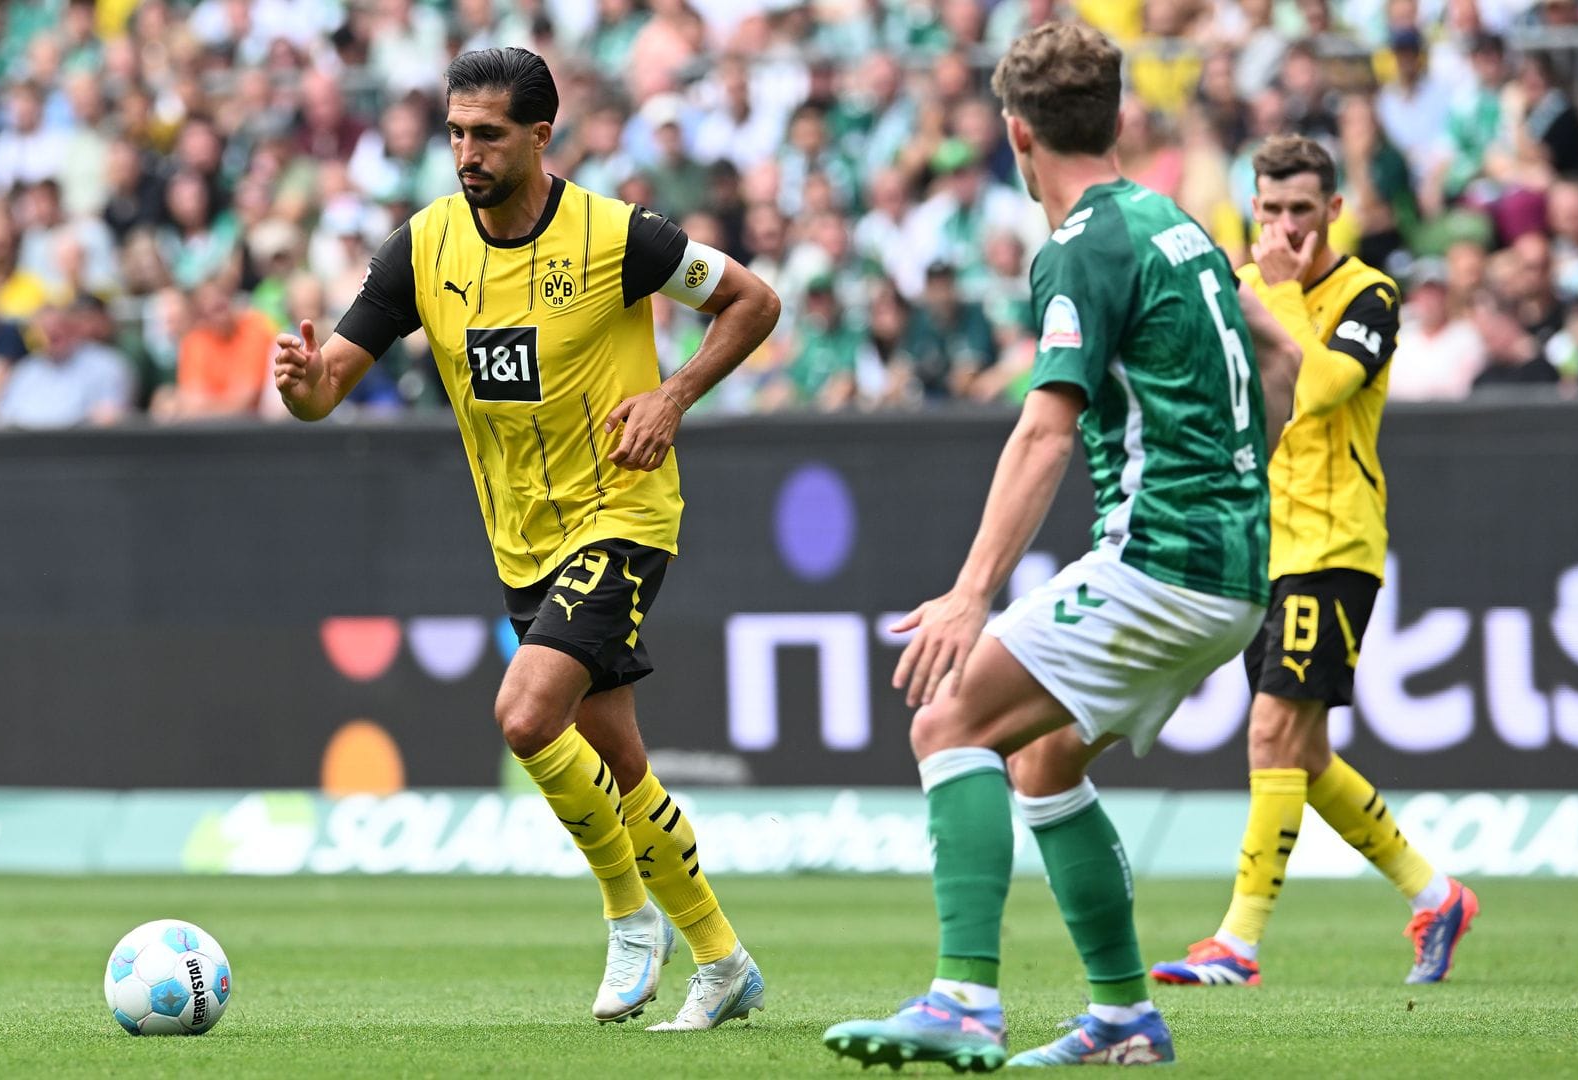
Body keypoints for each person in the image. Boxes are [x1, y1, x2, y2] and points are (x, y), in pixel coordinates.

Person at [271, 48, 781, 1031]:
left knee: (525, 714)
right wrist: (301, 386)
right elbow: (327, 385)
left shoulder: (620, 236)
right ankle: (724, 960)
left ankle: (629, 915)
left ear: (541, 136)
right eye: (456, 133)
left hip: (623, 512)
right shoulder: (421, 250)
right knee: (617, 760)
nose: (467, 152)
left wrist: (673, 396)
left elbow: (753, 301)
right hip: (523, 541)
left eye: (489, 135)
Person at [823, 22, 1300, 1070]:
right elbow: (1281, 355)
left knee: (948, 719)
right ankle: (1124, 1019)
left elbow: (1044, 429)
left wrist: (970, 593)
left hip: (1162, 560)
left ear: (1016, 133)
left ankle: (962, 1001)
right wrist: (1234, 481)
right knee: (1041, 761)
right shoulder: (1175, 221)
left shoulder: (1082, 247)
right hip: (1233, 567)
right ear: (1118, 120)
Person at [1152, 135, 1479, 991]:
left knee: (1270, 733)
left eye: (1303, 209)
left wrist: (1285, 293)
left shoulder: (1369, 294)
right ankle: (1437, 896)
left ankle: (1239, 942)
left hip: (1334, 543)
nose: (1287, 227)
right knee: (1304, 753)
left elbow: (1323, 387)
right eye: (1271, 210)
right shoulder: (1241, 287)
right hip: (1261, 546)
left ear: (1335, 209)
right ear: (1252, 209)